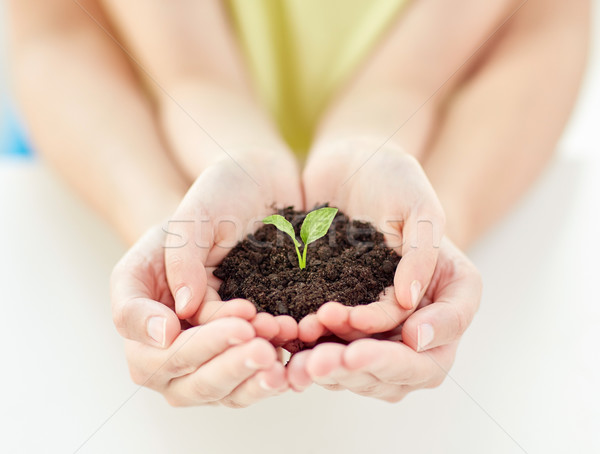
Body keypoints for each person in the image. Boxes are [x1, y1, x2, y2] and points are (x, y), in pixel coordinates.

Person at [8, 0, 589, 407]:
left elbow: (544, 23)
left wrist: (439, 217)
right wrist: (167, 214)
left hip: (450, 134)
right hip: (126, 123)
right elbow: (59, 27)